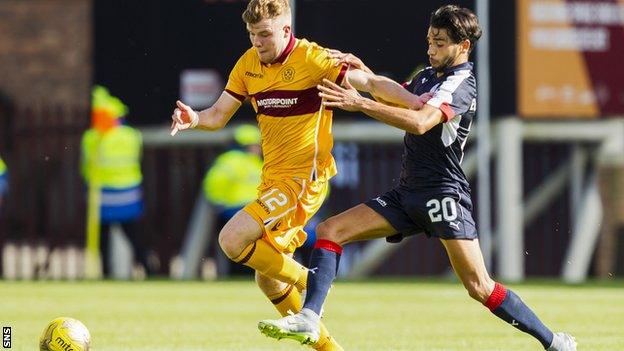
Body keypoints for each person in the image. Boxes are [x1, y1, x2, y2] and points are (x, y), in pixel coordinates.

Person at [258, 5, 577, 351]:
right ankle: (309, 317)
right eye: (429, 41)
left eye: (439, 43)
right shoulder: (427, 75)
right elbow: (396, 95)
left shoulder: (462, 83)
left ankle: (553, 342)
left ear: (464, 46)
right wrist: (362, 70)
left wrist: (360, 104)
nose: (431, 49)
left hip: (443, 196)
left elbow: (421, 121)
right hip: (408, 193)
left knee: (479, 287)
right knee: (330, 231)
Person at [169, 1, 429, 349]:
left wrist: (416, 103)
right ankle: (328, 346)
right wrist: (195, 119)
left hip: (303, 180)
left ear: (286, 31)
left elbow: (369, 82)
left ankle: (311, 280)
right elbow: (217, 115)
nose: (257, 43)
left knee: (231, 239)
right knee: (269, 280)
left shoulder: (311, 59)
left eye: (264, 35)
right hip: (273, 180)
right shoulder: (248, 64)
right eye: (251, 35)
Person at [81, 86, 157, 278]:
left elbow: (85, 167)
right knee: (132, 236)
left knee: (110, 239)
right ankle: (148, 270)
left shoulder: (93, 137)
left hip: (105, 195)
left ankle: (109, 273)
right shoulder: (130, 135)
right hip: (125, 194)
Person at [202, 124, 263, 276]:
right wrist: (221, 204)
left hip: (246, 212)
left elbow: (212, 186)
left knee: (239, 251)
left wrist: (219, 204)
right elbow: (214, 184)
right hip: (236, 211)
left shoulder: (250, 161)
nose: (259, 148)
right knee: (240, 252)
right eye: (256, 145)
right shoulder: (232, 160)